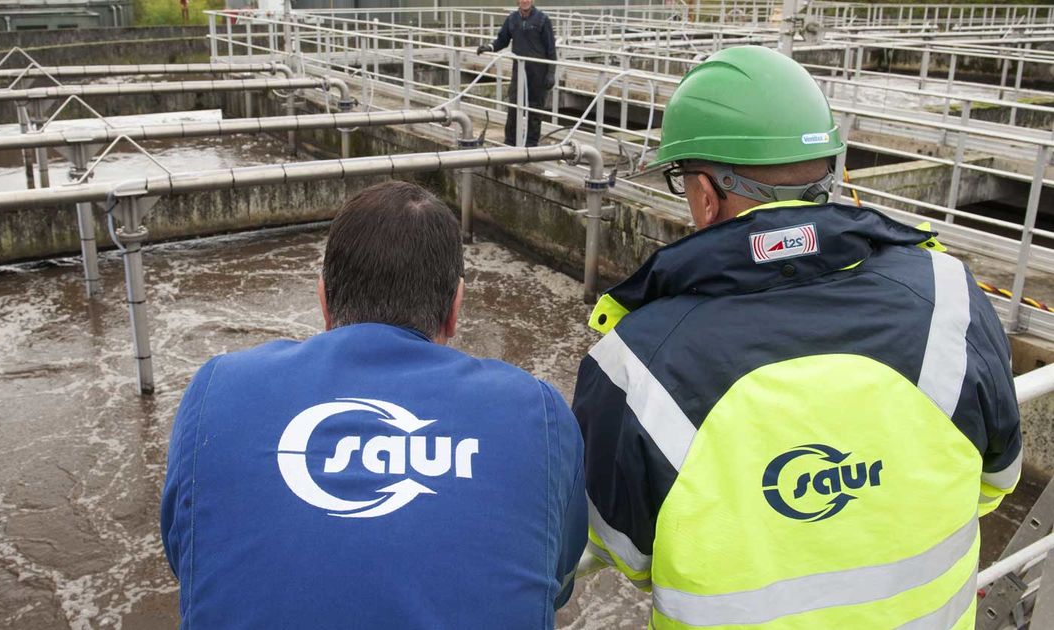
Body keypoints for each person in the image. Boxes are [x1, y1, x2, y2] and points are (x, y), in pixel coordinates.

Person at [573, 45, 1021, 629]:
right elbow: (997, 480)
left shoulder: (639, 363)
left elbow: (625, 552)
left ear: (706, 195)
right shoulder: (949, 301)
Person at [160, 181, 586, 629]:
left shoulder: (219, 389)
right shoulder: (536, 413)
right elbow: (556, 579)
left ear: (324, 301)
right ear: (455, 308)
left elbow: (188, 555)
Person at [476, 0, 557, 147]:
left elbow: (551, 49)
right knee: (513, 107)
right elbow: (502, 40)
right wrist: (489, 47)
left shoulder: (542, 19)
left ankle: (531, 145)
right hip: (519, 71)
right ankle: (510, 143)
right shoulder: (512, 19)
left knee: (534, 110)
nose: (525, 1)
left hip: (538, 72)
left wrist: (551, 72)